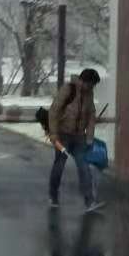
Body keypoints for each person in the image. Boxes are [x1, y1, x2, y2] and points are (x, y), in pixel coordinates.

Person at [47, 67, 103, 212]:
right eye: (91, 84)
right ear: (83, 81)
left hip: (79, 136)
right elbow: (54, 111)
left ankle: (89, 201)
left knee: (83, 165)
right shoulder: (68, 89)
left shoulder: (89, 94)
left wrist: (89, 137)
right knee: (59, 164)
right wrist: (53, 134)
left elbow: (91, 115)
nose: (92, 88)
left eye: (93, 86)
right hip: (62, 135)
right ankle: (53, 195)